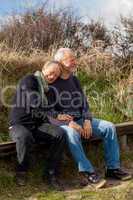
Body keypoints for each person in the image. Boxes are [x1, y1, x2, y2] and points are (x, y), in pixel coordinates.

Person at [47, 48, 132, 189]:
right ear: (60, 63)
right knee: (72, 133)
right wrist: (69, 123)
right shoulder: (50, 82)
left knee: (109, 127)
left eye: (75, 58)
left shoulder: (74, 79)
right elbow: (49, 113)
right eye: (71, 59)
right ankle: (88, 172)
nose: (75, 62)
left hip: (81, 119)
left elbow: (84, 103)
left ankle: (112, 168)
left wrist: (87, 119)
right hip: (62, 124)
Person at [9, 61, 66, 189]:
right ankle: (21, 172)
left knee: (60, 134)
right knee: (24, 136)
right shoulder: (29, 80)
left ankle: (50, 173)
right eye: (51, 73)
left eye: (56, 76)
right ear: (44, 69)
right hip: (20, 125)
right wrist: (55, 115)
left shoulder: (48, 90)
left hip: (37, 126)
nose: (52, 77)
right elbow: (34, 101)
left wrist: (65, 115)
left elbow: (55, 107)